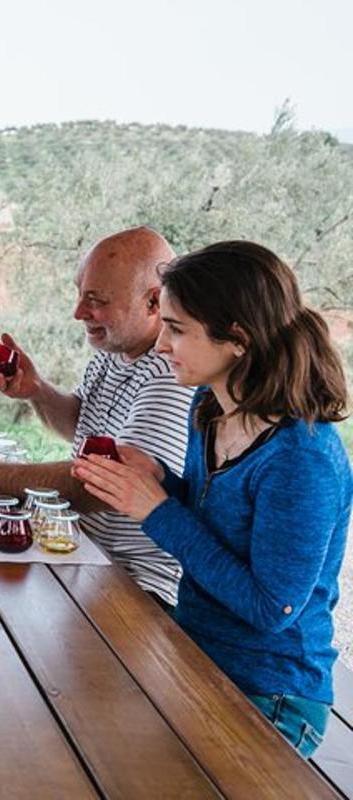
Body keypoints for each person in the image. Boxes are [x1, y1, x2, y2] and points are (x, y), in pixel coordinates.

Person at [73, 241, 350, 757]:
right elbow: (216, 524)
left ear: (238, 340)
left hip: (271, 693)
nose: (162, 345)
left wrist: (156, 509)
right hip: (196, 652)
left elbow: (272, 608)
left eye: (177, 330)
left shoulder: (300, 459)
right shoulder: (209, 406)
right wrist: (160, 480)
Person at [0, 227, 194, 607]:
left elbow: (101, 487)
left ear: (154, 302)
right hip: (82, 551)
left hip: (135, 584)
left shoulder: (170, 374)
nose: (78, 312)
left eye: (96, 300)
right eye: (79, 293)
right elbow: (82, 428)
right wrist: (35, 389)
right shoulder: (114, 351)